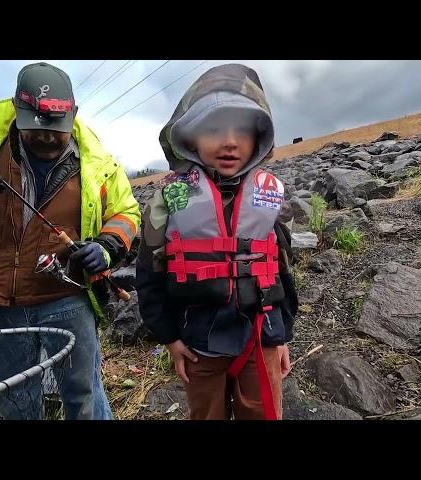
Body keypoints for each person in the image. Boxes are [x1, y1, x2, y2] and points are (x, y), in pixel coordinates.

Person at [0, 62, 141, 420]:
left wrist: (107, 246)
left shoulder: (99, 162)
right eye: (35, 129)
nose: (46, 137)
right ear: (17, 110)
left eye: (56, 130)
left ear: (74, 114)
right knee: (15, 403)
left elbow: (127, 213)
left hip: (68, 299)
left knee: (83, 396)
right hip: (0, 305)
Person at [136, 63, 298, 420]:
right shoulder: (167, 201)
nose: (229, 141)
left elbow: (282, 271)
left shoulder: (269, 197)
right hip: (199, 345)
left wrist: (282, 334)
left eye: (242, 128)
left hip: (262, 337)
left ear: (259, 136)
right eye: (212, 128)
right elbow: (148, 278)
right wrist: (169, 339)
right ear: (189, 137)